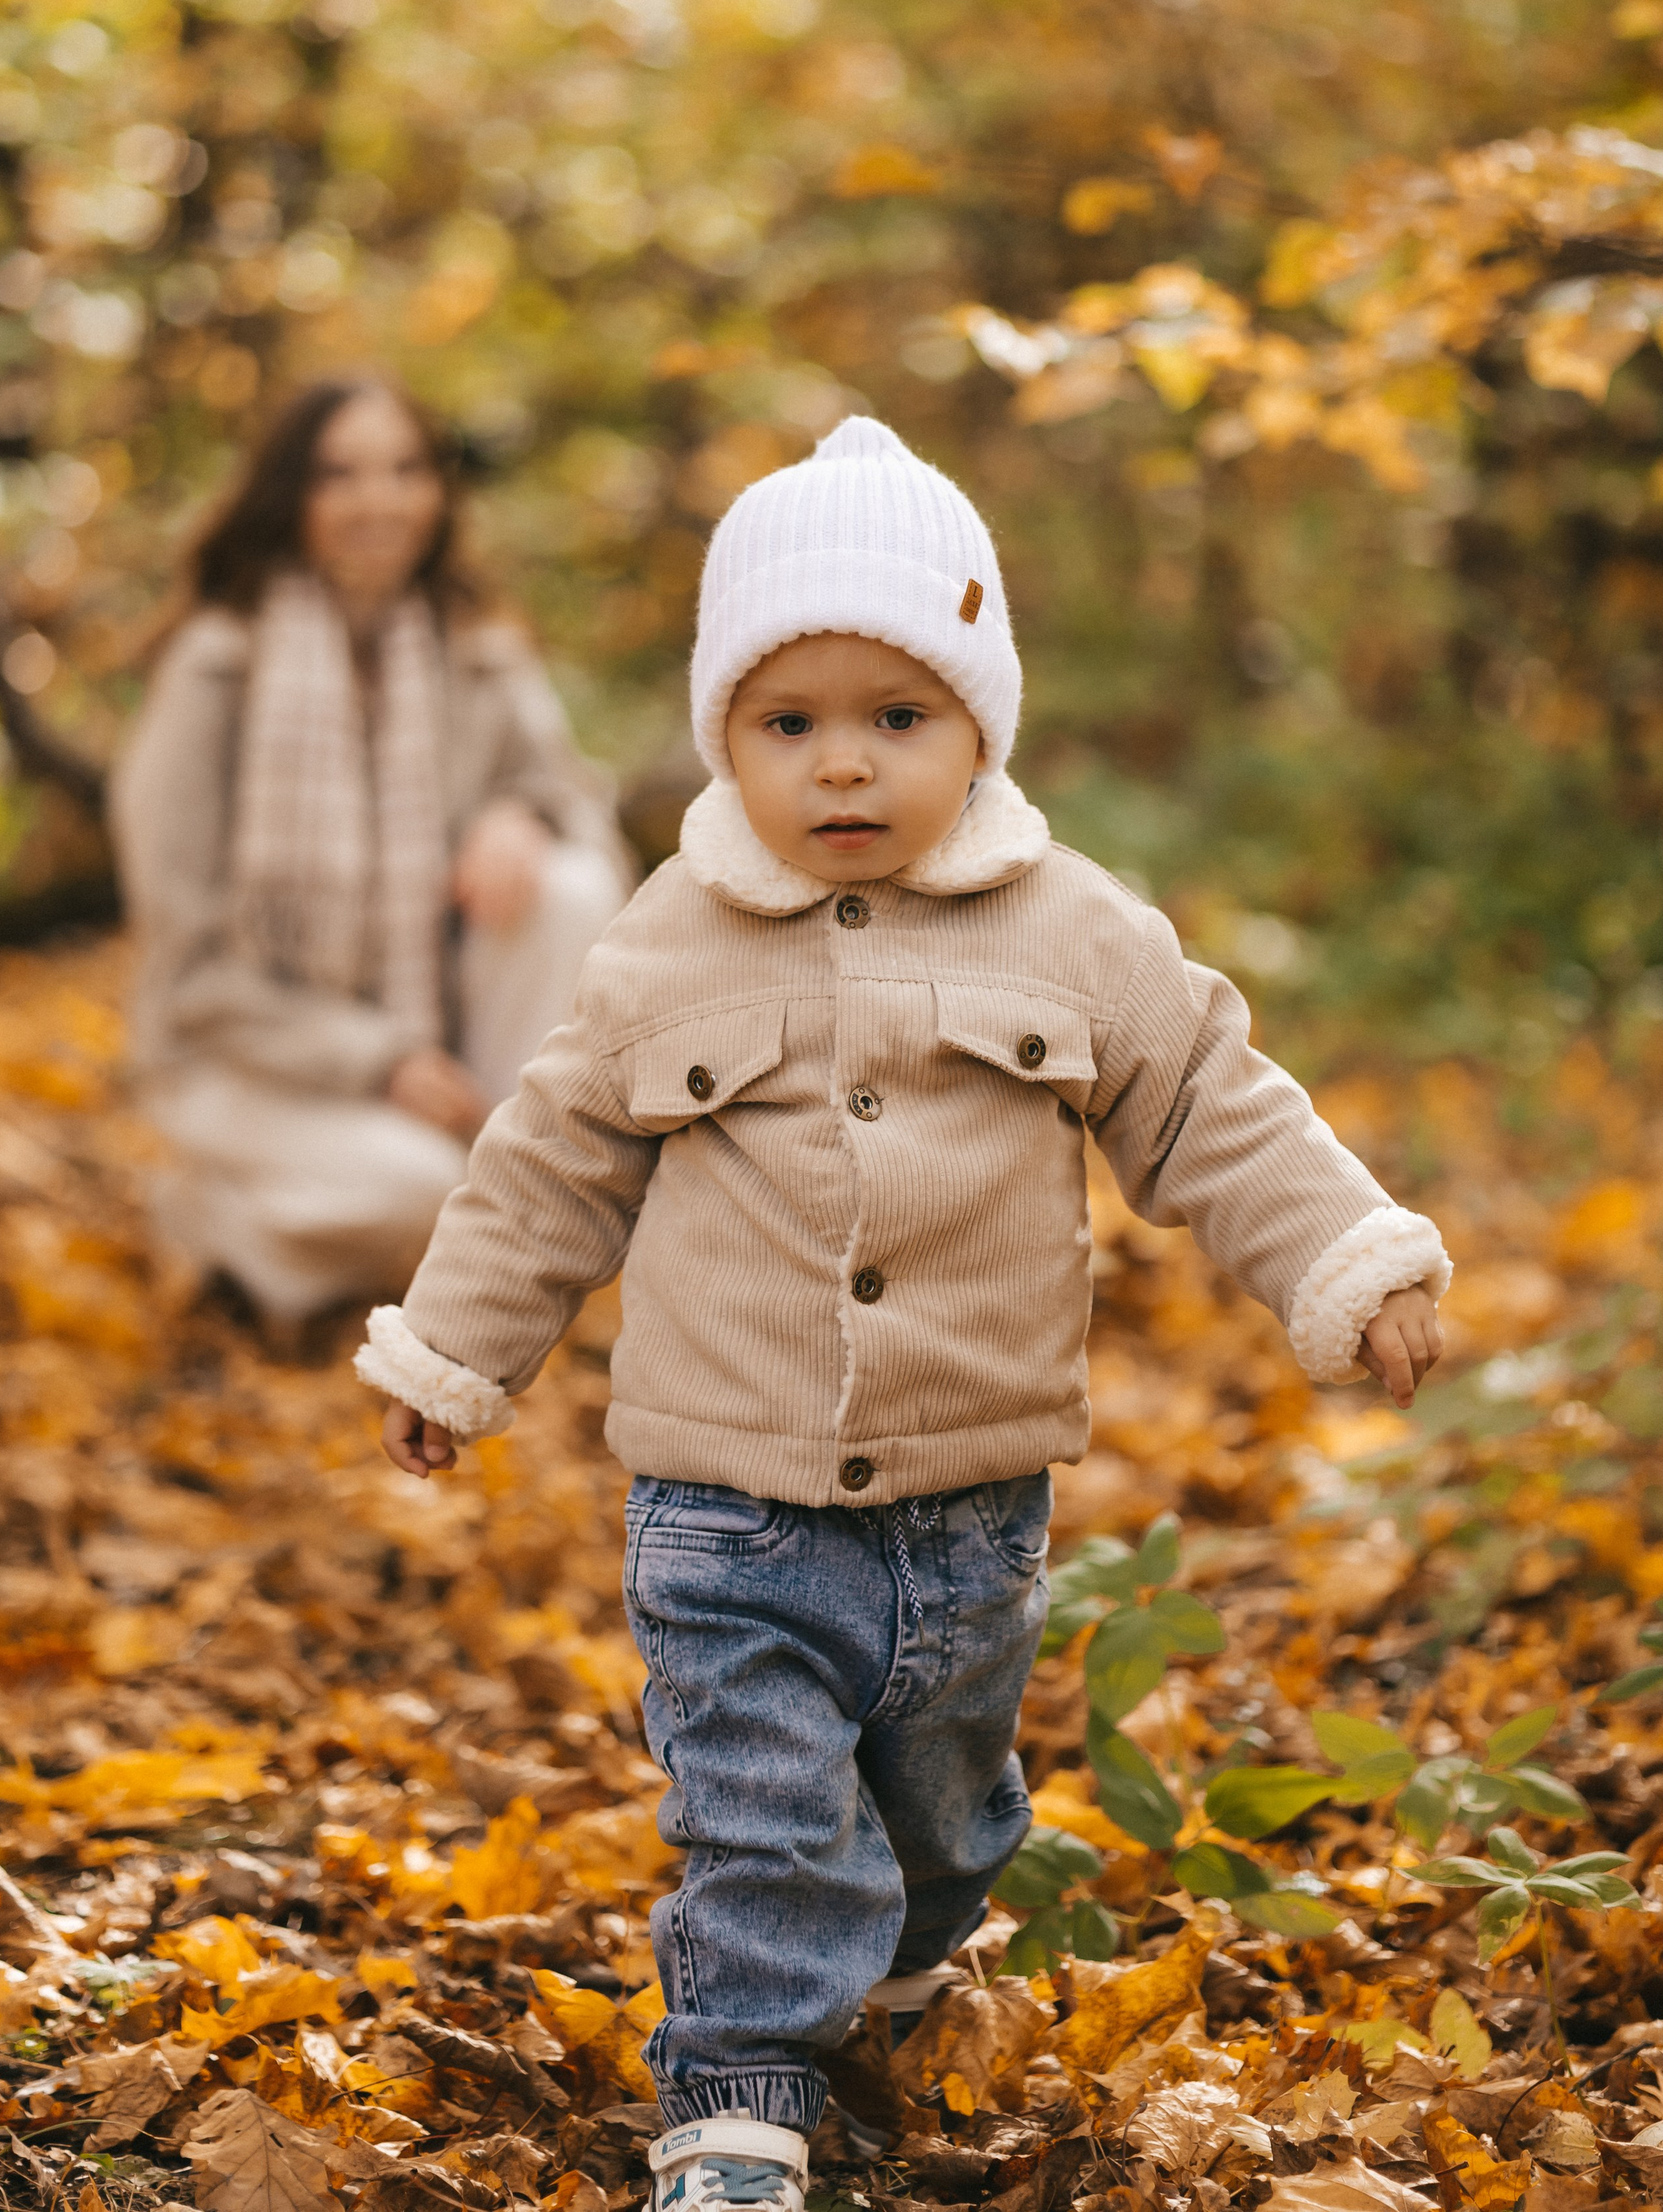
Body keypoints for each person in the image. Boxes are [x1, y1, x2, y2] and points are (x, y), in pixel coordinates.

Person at [352, 416, 1448, 2212]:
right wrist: (455, 1350)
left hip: (969, 1506)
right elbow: (546, 1160)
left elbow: (1209, 1104)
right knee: (764, 1813)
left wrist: (1348, 1258)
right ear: (724, 733)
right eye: (790, 724)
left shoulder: (1071, 931)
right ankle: (736, 2097)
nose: (841, 767)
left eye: (895, 718)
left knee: (943, 1806)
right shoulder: (664, 941)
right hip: (724, 1501)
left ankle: (907, 1956)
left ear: (977, 724)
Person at [111, 373, 628, 1343]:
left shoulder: (476, 652)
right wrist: (376, 1058)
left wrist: (523, 814)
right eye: (339, 475)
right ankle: (217, 1219)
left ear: (439, 491)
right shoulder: (212, 670)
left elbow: (589, 822)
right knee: (425, 1187)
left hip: (437, 1031)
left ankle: (495, 1197)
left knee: (568, 885)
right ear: (290, 496)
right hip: (244, 1053)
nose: (377, 502)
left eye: (404, 470)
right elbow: (187, 972)